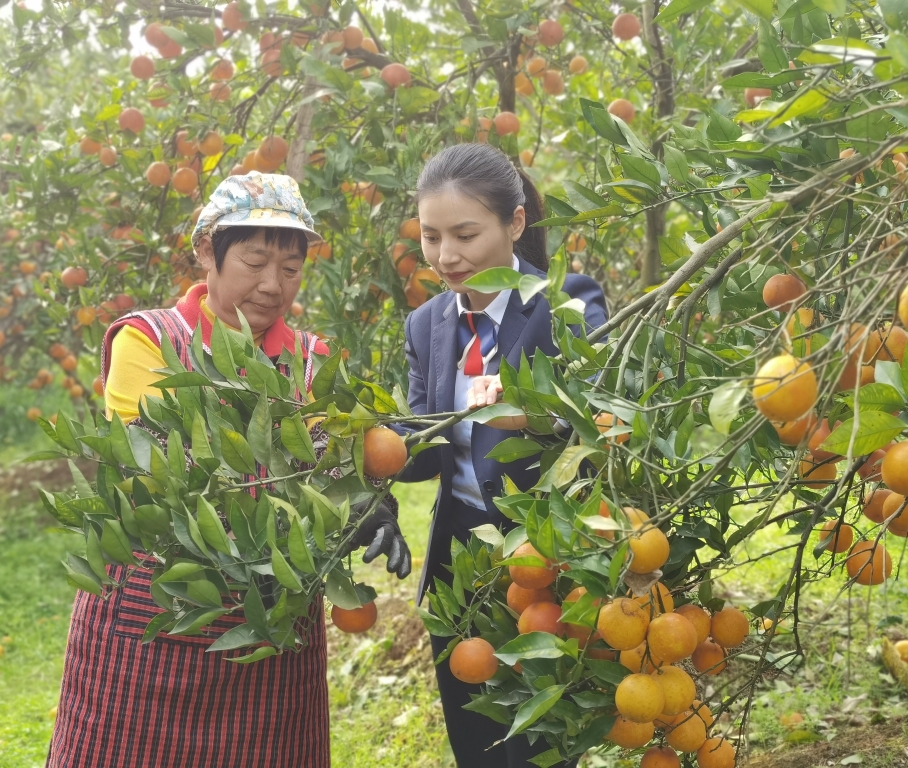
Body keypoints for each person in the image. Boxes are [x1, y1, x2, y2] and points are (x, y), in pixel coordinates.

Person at [47, 172, 408, 768]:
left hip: (269, 638)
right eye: (255, 261)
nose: (272, 285)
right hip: (150, 624)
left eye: (290, 269)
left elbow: (338, 458)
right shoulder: (149, 342)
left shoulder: (314, 361)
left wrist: (369, 497)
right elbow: (171, 467)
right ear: (206, 252)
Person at [396, 143, 608, 768]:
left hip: (543, 557)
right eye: (432, 238)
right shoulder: (427, 324)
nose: (446, 257)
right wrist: (362, 441)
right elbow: (422, 449)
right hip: (459, 565)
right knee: (476, 741)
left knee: (541, 745)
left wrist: (532, 408)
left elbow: (603, 413)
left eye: (465, 234)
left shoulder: (565, 302)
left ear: (514, 224)